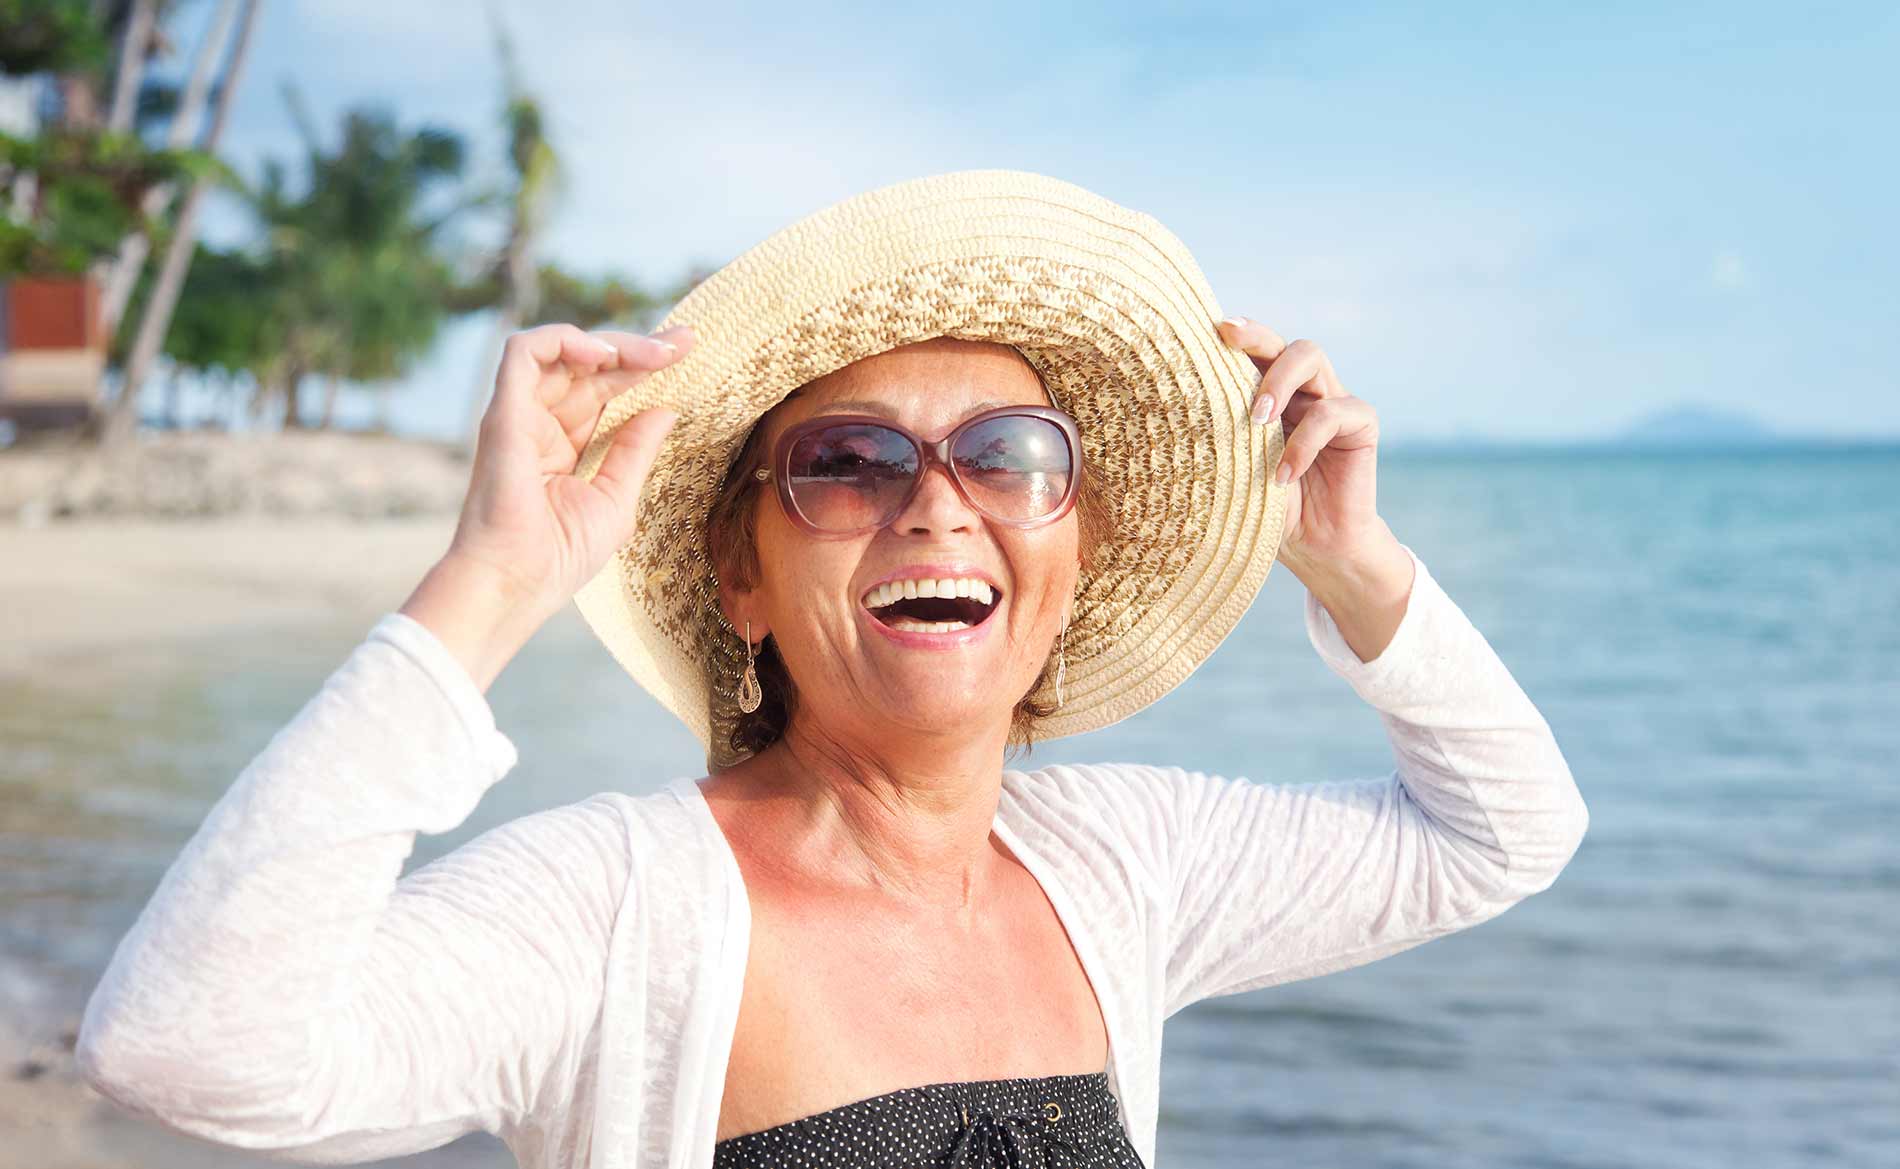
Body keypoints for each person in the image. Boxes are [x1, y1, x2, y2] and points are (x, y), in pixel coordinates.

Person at [74, 171, 1588, 1169]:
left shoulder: (1122, 863)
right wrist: (488, 588)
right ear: (739, 576)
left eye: (1008, 455)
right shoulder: (616, 909)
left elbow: (1505, 833)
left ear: (1067, 565)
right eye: (850, 462)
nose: (939, 502)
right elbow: (188, 1048)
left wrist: (1352, 567)